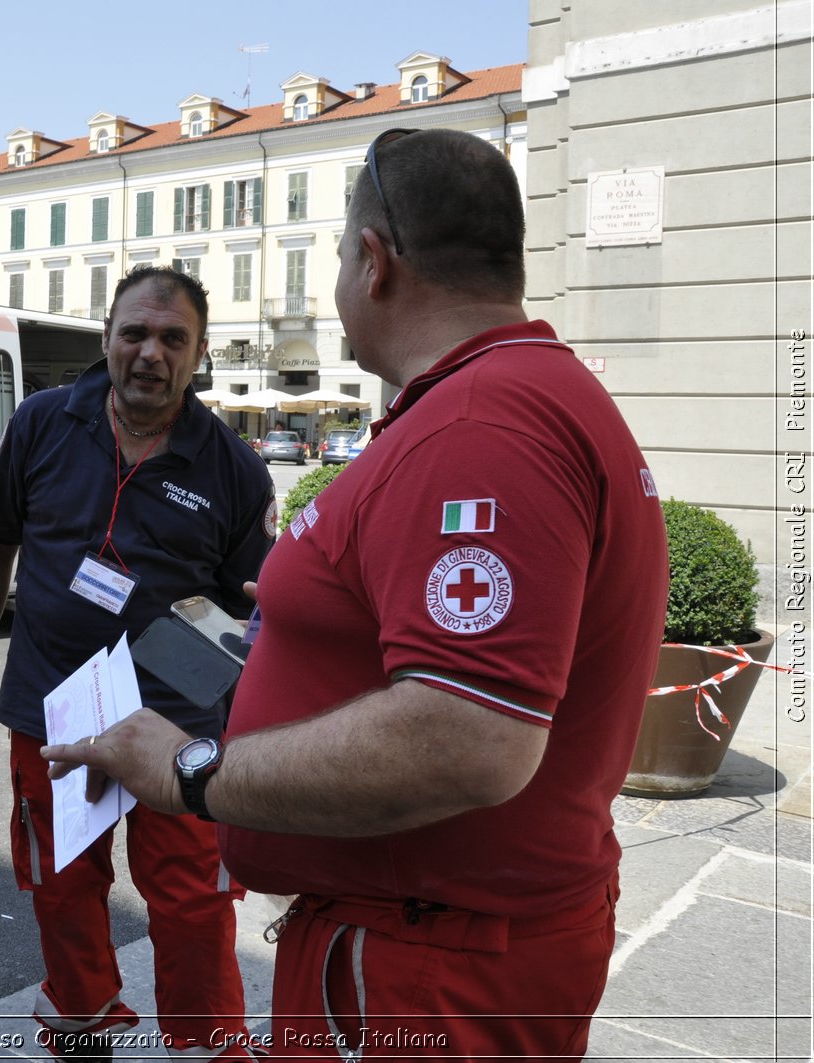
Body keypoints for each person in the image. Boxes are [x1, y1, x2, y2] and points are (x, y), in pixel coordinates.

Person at [44, 129, 668, 1060]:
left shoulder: (479, 424)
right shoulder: (506, 396)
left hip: (422, 970)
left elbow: (470, 737)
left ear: (373, 263)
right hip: (427, 949)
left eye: (340, 250)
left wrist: (191, 768)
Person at [0, 266, 275, 1059]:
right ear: (107, 338)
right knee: (62, 888)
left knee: (193, 900)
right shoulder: (41, 424)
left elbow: (253, 616)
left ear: (198, 354)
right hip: (53, 711)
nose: (150, 353)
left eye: (172, 338)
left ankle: (204, 1044)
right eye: (135, 333)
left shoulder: (234, 468)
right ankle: (84, 1020)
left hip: (178, 725)